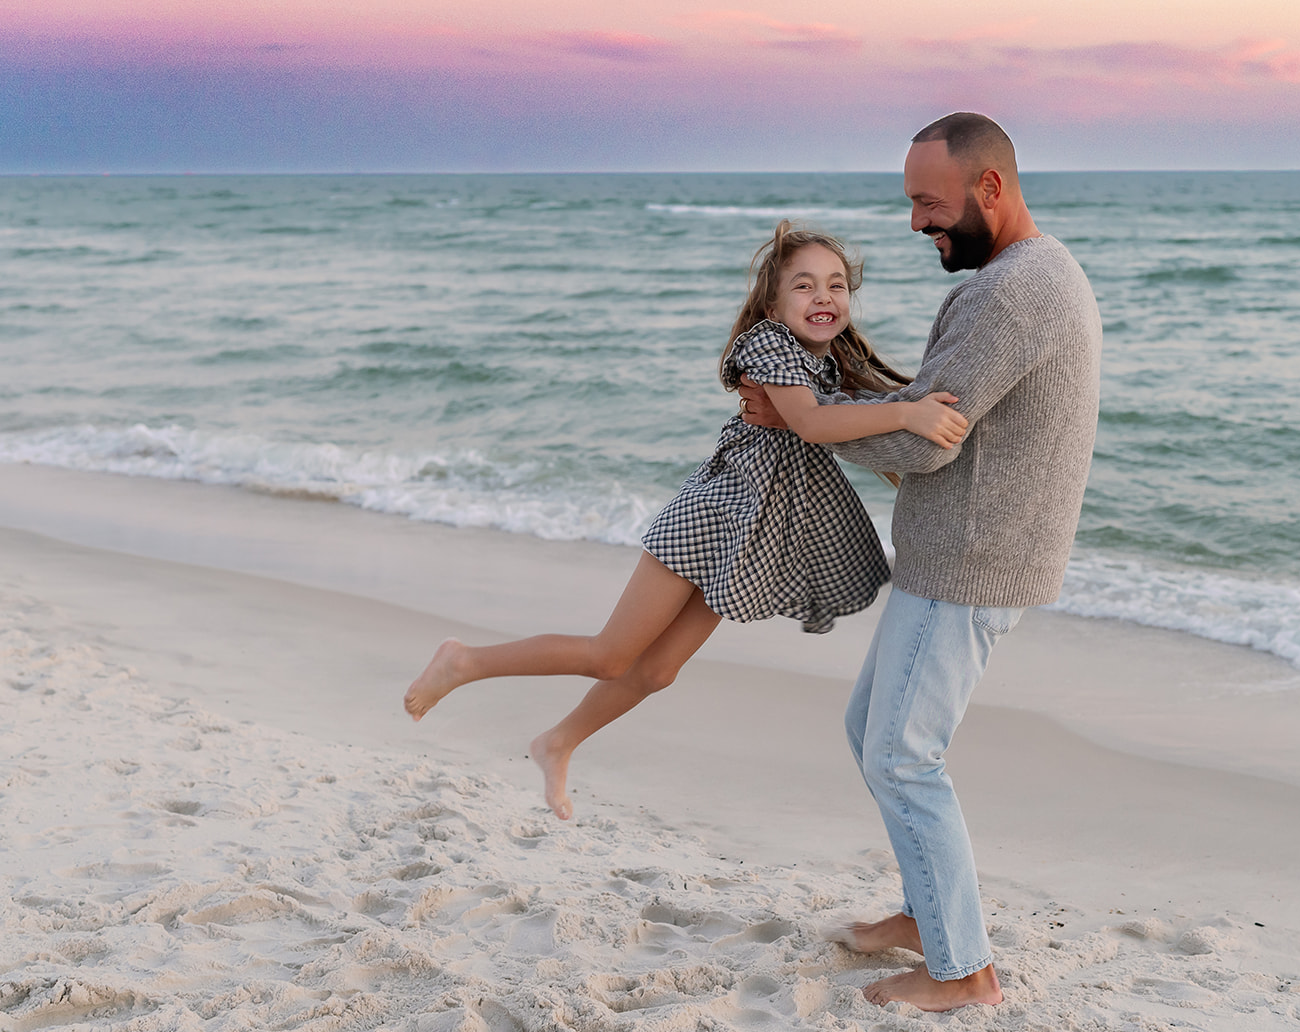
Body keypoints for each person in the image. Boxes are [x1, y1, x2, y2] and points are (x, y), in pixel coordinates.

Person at [404, 222, 970, 821]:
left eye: (836, 285)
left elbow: (850, 414)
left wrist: (919, 422)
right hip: (710, 515)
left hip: (751, 531)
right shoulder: (771, 346)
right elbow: (815, 424)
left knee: (658, 669)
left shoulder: (827, 359)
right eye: (804, 286)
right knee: (608, 655)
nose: (823, 297)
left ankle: (558, 742)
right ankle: (463, 661)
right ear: (773, 302)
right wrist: (906, 413)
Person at [739, 113, 1102, 1012]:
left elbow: (928, 442)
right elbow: (922, 409)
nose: (915, 223)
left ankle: (966, 973)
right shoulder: (1034, 271)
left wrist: (802, 416)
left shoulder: (1008, 295)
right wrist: (855, 405)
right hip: (968, 550)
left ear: (989, 189)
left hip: (971, 561)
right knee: (874, 732)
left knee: (904, 756)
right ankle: (923, 913)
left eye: (928, 204)